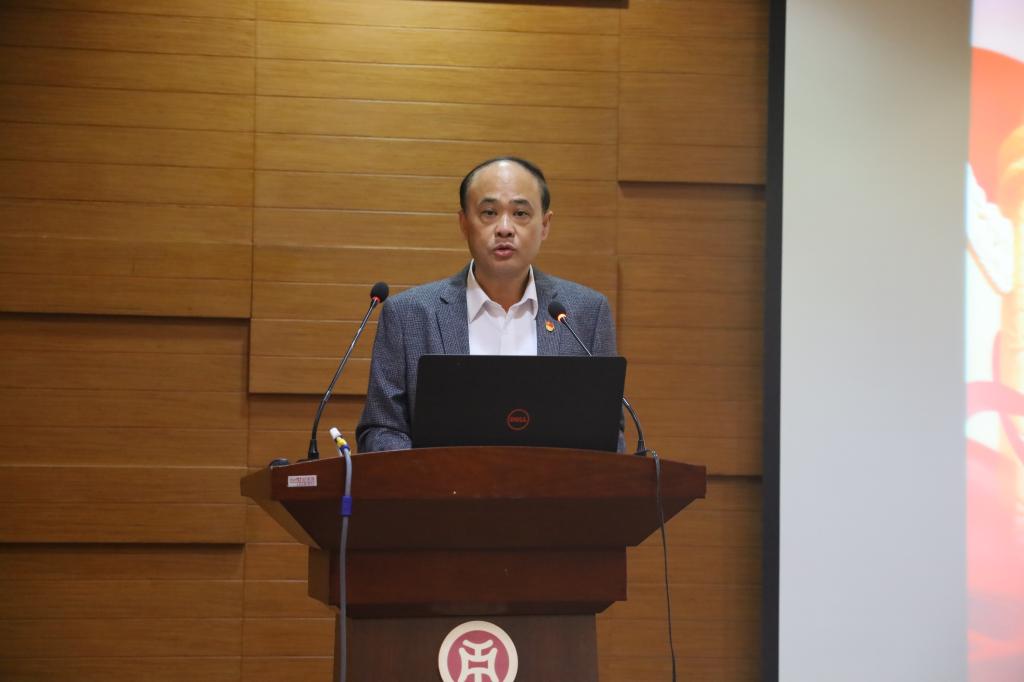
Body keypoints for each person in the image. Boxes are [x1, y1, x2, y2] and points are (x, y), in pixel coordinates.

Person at [355, 157, 619, 452]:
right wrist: (428, 474)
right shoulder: (409, 315)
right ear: (464, 223)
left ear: (544, 225)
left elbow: (607, 433)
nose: (504, 228)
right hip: (441, 482)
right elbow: (382, 429)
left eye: (520, 213)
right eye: (489, 213)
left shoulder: (585, 313)